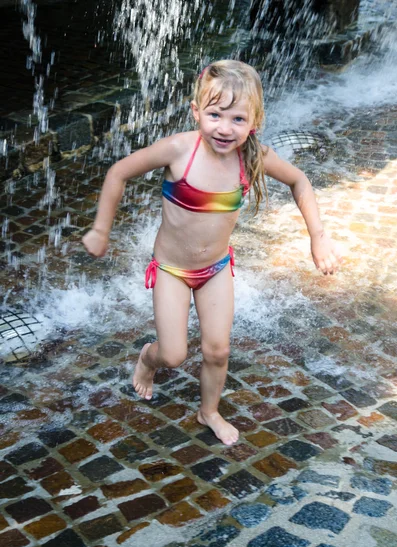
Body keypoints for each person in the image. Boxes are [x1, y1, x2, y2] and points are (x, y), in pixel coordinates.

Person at [82, 60, 342, 446]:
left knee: (217, 350)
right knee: (173, 354)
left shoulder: (252, 156)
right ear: (196, 111)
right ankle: (146, 360)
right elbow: (119, 171)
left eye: (238, 119)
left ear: (254, 120)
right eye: (215, 114)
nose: (225, 128)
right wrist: (101, 229)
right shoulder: (178, 150)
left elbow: (299, 181)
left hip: (216, 269)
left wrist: (318, 237)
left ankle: (209, 412)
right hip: (171, 268)